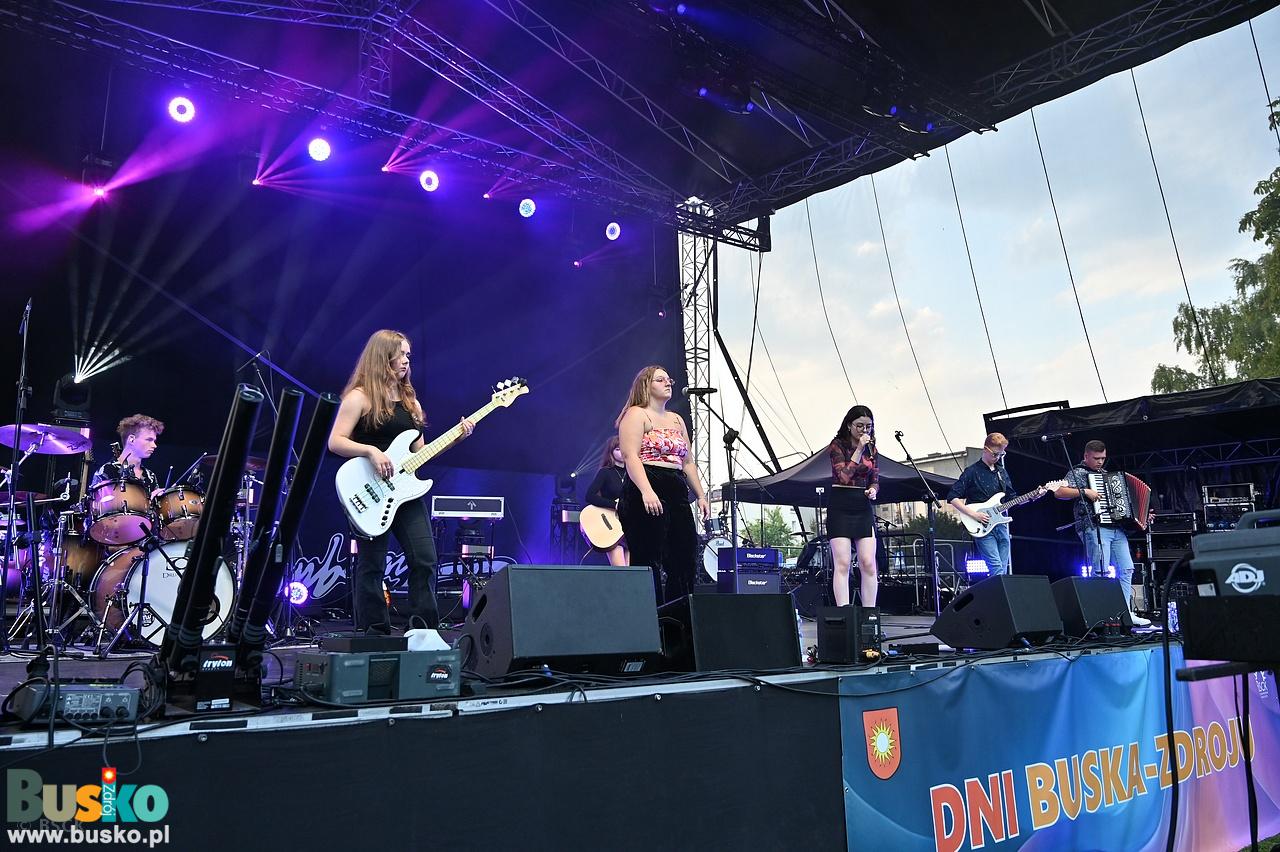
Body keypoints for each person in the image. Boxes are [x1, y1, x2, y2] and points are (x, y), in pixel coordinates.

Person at [328, 329, 474, 634]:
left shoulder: (411, 403)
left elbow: (421, 453)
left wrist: (456, 438)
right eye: (401, 354)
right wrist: (370, 451)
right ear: (383, 357)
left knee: (424, 558)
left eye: (409, 355)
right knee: (372, 565)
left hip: (405, 494)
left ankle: (423, 631)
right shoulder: (359, 397)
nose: (407, 360)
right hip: (369, 490)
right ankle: (374, 633)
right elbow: (335, 441)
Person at [616, 365, 710, 605]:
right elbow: (630, 456)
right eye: (660, 380)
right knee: (648, 557)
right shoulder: (636, 414)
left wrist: (701, 495)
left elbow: (688, 462)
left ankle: (678, 618)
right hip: (647, 482)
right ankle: (648, 615)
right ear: (646, 385)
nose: (668, 383)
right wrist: (646, 490)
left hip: (676, 488)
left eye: (669, 379)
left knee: (684, 557)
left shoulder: (677, 419)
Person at [1052, 440, 1152, 626]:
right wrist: (1085, 491)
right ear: (1086, 456)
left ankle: (1126, 613)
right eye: (1096, 458)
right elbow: (1059, 492)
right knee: (1100, 570)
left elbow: (1125, 506)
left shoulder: (1108, 476)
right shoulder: (1078, 472)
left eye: (1103, 458)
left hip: (1116, 528)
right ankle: (1099, 614)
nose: (1100, 462)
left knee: (1127, 568)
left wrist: (1143, 515)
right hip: (1094, 527)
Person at [827, 405, 879, 607]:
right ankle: (844, 613)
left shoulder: (872, 449)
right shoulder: (837, 445)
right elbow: (844, 476)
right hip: (841, 503)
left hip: (861, 504)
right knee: (842, 563)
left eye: (868, 426)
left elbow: (875, 478)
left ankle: (870, 614)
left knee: (868, 562)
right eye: (859, 426)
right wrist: (858, 450)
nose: (864, 430)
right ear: (849, 425)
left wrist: (873, 490)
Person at [947, 433, 1016, 577]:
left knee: (1003, 568)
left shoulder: (1001, 472)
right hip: (981, 525)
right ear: (985, 449)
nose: (998, 458)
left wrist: (1033, 497)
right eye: (995, 454)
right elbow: (952, 497)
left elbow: (1012, 498)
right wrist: (974, 515)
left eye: (1001, 454)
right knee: (996, 567)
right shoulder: (972, 472)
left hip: (1000, 524)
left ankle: (999, 591)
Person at [583, 436, 629, 566]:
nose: (622, 452)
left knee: (633, 571)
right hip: (612, 525)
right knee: (621, 570)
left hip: (631, 527)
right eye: (618, 449)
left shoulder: (634, 473)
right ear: (611, 452)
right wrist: (615, 504)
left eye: (624, 448)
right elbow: (590, 496)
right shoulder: (605, 472)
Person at [92, 414, 164, 496]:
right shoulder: (107, 471)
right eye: (149, 439)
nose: (154, 445)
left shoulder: (150, 476)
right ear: (131, 439)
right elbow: (98, 502)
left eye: (154, 441)